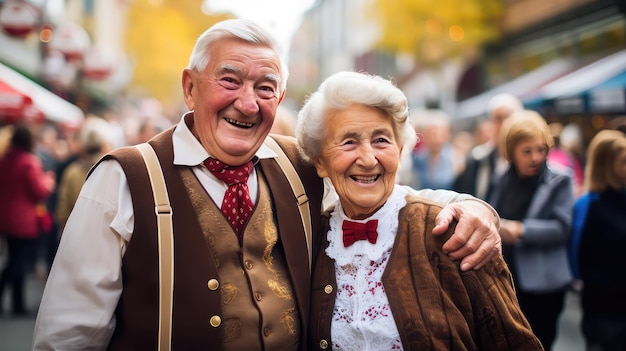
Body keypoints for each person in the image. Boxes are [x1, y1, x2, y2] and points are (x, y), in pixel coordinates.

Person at [33, 19, 501, 350]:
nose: (247, 102)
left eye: (265, 87)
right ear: (190, 87)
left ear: (279, 98)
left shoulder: (301, 162)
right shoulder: (122, 178)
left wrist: (472, 206)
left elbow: (381, 195)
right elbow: (67, 336)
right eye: (230, 80)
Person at [298, 71, 542, 350]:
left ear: (401, 150)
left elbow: (514, 342)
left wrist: (479, 207)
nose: (368, 159)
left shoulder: (456, 231)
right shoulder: (311, 238)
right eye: (349, 142)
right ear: (319, 162)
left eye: (381, 140)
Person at [487, 110, 574, 350]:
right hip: (506, 279)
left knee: (540, 342)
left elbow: (561, 228)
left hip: (543, 284)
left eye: (541, 149)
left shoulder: (561, 179)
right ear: (511, 152)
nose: (535, 157)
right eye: (527, 151)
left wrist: (520, 230)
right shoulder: (501, 177)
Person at [570, 129, 626, 351]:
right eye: (623, 161)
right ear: (607, 164)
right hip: (603, 309)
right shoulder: (587, 204)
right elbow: (576, 257)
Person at [0, 124, 55, 315]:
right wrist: (48, 182)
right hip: (24, 220)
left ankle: (17, 303)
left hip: (6, 217)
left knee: (14, 259)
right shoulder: (30, 162)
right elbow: (38, 191)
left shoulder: (4, 160)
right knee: (18, 262)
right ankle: (17, 303)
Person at [453, 93, 523, 200]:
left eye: (508, 117)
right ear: (491, 122)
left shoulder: (530, 157)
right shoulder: (478, 158)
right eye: (498, 118)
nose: (504, 123)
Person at [55, 116, 115, 231]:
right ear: (105, 145)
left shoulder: (72, 172)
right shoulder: (113, 172)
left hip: (74, 234)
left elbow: (62, 212)